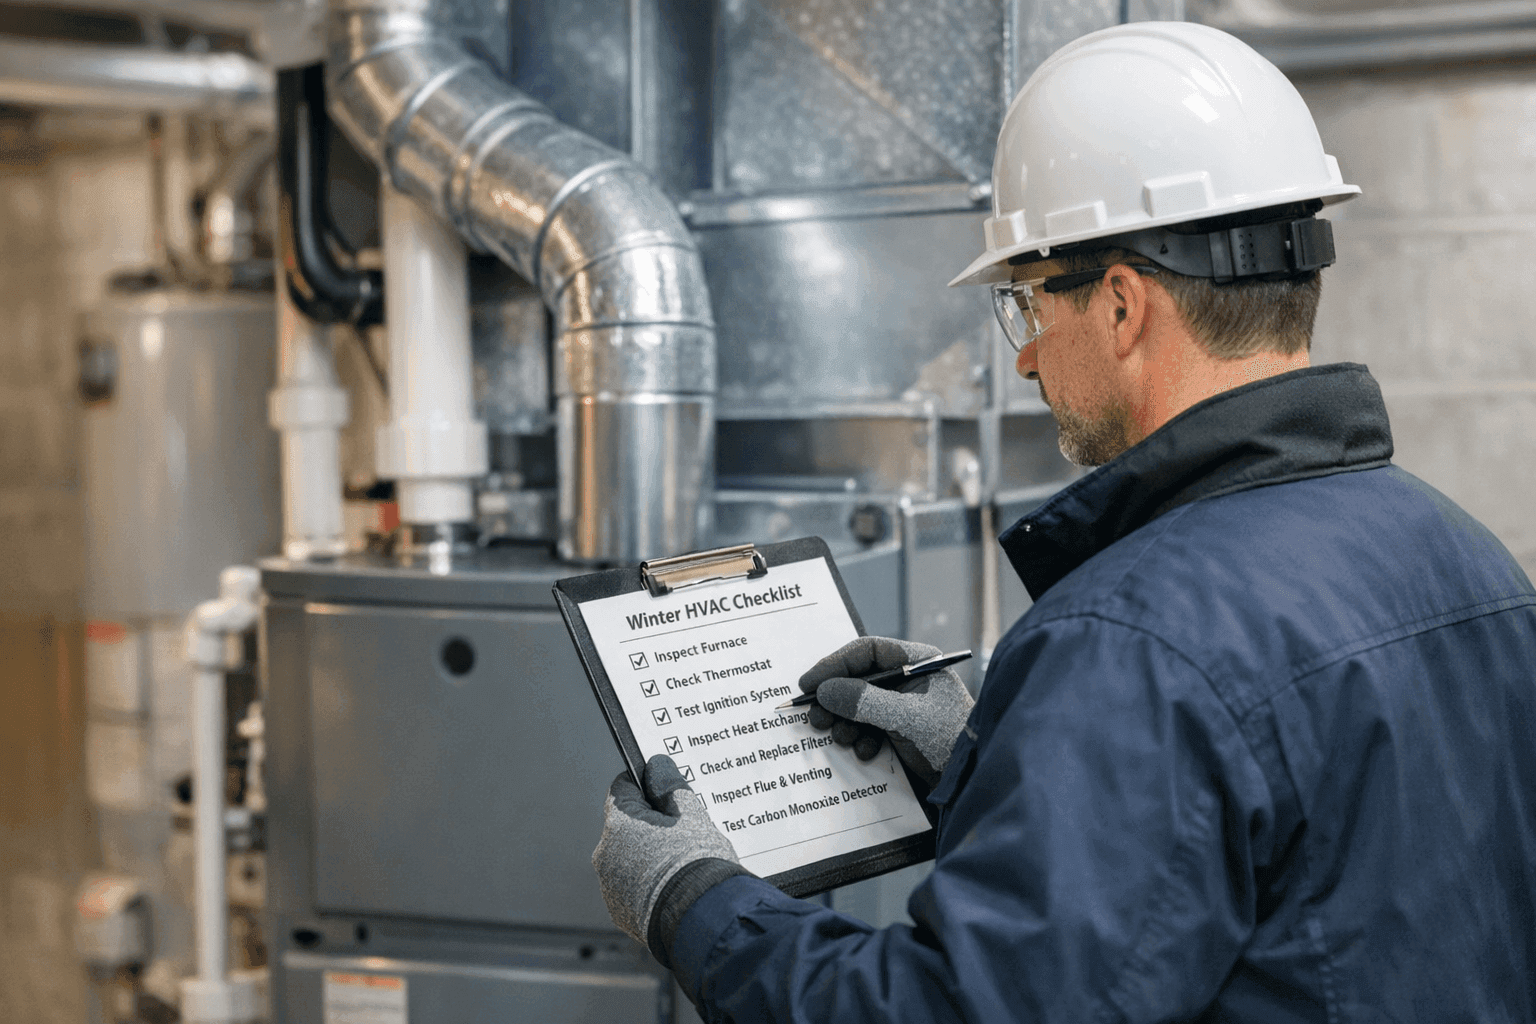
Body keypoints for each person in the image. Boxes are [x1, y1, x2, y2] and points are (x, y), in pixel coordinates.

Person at [592, 21, 1536, 1022]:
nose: (1027, 358)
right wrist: (993, 759)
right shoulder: (1475, 562)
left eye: (1028, 303)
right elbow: (1309, 878)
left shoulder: (1130, 644)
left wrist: (695, 903)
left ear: (1122, 305)